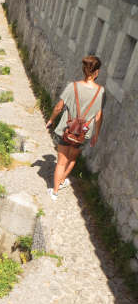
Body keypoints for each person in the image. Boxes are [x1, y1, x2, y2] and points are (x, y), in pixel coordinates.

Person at [45, 55, 105, 201]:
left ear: (84, 70)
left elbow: (59, 107)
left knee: (61, 161)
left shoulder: (73, 87)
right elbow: (98, 116)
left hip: (67, 129)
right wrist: (96, 134)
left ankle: (55, 191)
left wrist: (51, 120)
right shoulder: (100, 92)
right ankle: (63, 180)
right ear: (97, 72)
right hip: (83, 133)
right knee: (72, 158)